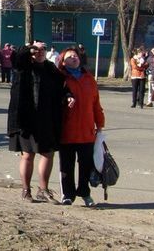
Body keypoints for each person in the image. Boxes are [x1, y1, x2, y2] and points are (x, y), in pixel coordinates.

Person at [7, 41, 71, 204]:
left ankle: (43, 190)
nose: (40, 52)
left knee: (48, 153)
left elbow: (62, 86)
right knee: (28, 155)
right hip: (27, 119)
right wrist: (29, 48)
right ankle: (26, 190)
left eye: (43, 50)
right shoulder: (24, 66)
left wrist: (68, 95)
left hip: (47, 118)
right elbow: (17, 57)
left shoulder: (50, 68)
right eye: (36, 50)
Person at [57, 47, 105, 207]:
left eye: (75, 56)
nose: (74, 59)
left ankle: (85, 192)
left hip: (86, 130)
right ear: (63, 62)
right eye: (69, 57)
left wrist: (100, 124)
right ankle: (68, 194)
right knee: (66, 164)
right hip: (67, 129)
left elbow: (95, 104)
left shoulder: (89, 78)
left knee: (86, 164)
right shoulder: (60, 79)